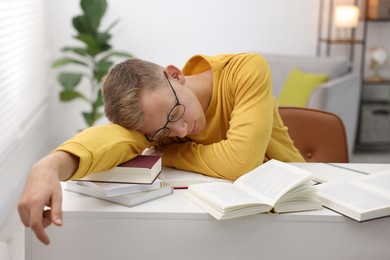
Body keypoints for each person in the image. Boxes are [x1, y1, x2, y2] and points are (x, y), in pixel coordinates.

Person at [18, 52, 305, 245]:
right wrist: (49, 166)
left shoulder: (244, 69)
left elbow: (241, 161)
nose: (180, 131)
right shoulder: (154, 123)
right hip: (233, 228)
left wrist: (168, 153)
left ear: (175, 75)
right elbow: (110, 140)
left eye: (176, 112)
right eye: (164, 131)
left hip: (299, 203)